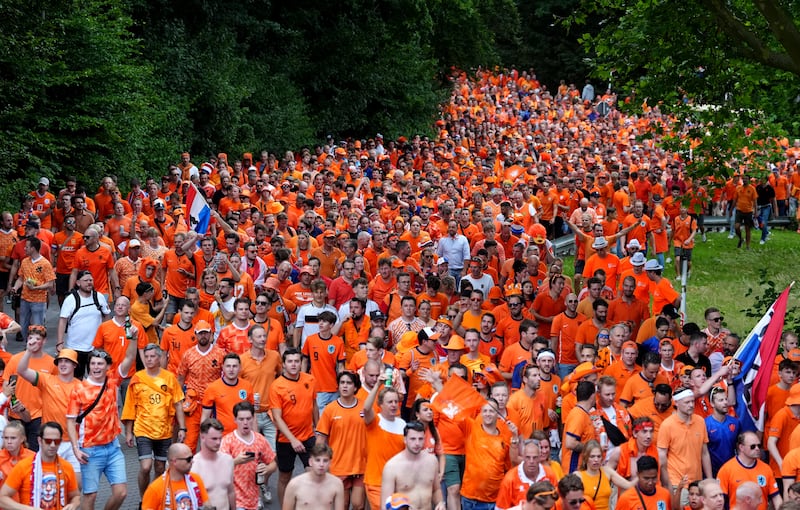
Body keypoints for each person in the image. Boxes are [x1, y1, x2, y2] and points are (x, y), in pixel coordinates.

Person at [66, 340, 137, 510]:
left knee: (121, 493)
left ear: (107, 367)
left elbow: (129, 357)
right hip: (89, 450)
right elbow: (70, 421)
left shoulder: (112, 381)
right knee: (90, 495)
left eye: (100, 364)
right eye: (93, 363)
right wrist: (75, 448)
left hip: (113, 448)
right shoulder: (79, 389)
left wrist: (133, 338)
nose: (96, 367)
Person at [121, 344, 186, 500]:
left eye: (152, 356)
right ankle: (144, 499)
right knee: (145, 466)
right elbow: (130, 406)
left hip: (164, 431)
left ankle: (155, 499)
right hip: (143, 429)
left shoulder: (169, 378)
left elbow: (178, 404)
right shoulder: (137, 378)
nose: (149, 359)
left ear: (159, 358)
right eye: (147, 356)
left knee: (160, 467)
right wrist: (129, 432)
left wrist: (183, 428)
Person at [16, 341, 82, 474]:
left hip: (73, 442)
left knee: (77, 484)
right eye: (60, 361)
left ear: (74, 365)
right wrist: (29, 351)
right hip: (50, 441)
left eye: (67, 361)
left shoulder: (81, 386)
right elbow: (22, 371)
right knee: (48, 482)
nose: (62, 364)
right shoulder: (46, 380)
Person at [268, 348, 317, 507]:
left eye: (297, 361)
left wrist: (318, 428)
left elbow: (314, 405)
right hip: (285, 439)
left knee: (314, 474)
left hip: (308, 436)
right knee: (284, 476)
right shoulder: (277, 386)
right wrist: (293, 440)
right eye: (290, 361)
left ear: (301, 362)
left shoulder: (310, 379)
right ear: (284, 364)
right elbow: (277, 417)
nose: (294, 364)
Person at [316, 371, 367, 510]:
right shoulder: (330, 409)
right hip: (338, 466)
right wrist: (318, 463)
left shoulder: (365, 407)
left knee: (359, 505)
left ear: (355, 387)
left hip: (360, 464)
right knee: (342, 505)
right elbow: (321, 438)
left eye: (349, 383)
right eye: (342, 383)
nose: (345, 386)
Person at [0, 421, 81, 510]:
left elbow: (75, 496)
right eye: (48, 441)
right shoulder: (24, 466)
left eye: (56, 441)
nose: (52, 445)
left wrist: (73, 504)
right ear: (39, 440)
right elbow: (2, 498)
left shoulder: (66, 467)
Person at [177, 320, 226, 453]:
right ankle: (188, 472)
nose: (203, 336)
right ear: (196, 335)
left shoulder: (220, 354)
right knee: (189, 443)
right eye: (200, 334)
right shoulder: (188, 354)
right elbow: (180, 377)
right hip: (194, 404)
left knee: (213, 442)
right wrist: (178, 400)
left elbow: (227, 376)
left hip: (214, 404)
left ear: (211, 334)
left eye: (206, 333)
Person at [4, 325, 54, 451]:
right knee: (14, 453)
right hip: (16, 414)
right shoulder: (15, 360)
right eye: (31, 338)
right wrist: (11, 403)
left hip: (38, 415)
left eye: (37, 339)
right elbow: (6, 385)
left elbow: (55, 389)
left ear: (44, 341)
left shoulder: (52, 363)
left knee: (34, 454)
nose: (33, 341)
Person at [220, 401, 277, 510]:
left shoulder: (260, 439)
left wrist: (267, 468)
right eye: (241, 419)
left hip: (254, 499)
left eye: (248, 418)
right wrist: (236, 461)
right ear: (235, 420)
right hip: (234, 499)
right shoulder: (228, 441)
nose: (245, 422)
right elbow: (219, 468)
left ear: (253, 419)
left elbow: (273, 463)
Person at [362, 372, 406, 510]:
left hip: (398, 483)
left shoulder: (402, 424)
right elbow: (366, 408)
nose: (394, 405)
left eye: (395, 402)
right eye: (389, 402)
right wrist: (377, 385)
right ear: (380, 404)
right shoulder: (375, 421)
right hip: (376, 482)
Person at [58, 270, 110, 379]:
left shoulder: (99, 297)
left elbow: (106, 316)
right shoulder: (71, 299)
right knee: (76, 380)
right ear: (78, 283)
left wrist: (106, 338)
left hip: (95, 348)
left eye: (91, 280)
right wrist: (60, 342)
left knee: (96, 379)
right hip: (75, 347)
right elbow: (62, 321)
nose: (89, 282)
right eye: (86, 280)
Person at [657, 388, 712, 492]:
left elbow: (704, 453)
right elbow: (661, 457)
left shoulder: (700, 421)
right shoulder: (667, 425)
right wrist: (666, 484)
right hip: (676, 482)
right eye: (687, 402)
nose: (691, 405)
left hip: (697, 482)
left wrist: (709, 479)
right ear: (676, 403)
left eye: (692, 401)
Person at [381, 421, 445, 510]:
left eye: (420, 439)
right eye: (413, 439)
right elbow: (385, 504)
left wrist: (440, 503)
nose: (417, 443)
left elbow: (436, 490)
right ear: (405, 440)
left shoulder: (432, 461)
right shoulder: (392, 466)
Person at [720, 431, 781, 509]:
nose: (757, 449)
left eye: (759, 446)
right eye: (753, 446)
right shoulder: (726, 470)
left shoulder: (766, 469)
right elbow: (721, 500)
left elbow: (776, 497)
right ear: (741, 447)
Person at [141, 442, 210, 510]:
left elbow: (207, 505)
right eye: (188, 459)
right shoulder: (155, 489)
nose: (192, 461)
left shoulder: (196, 479)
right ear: (174, 461)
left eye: (192, 458)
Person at [12, 237, 55, 342]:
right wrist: (15, 287)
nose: (24, 249)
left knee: (37, 326)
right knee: (23, 325)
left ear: (33, 248)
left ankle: (36, 349)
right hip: (24, 299)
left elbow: (50, 283)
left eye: (26, 247)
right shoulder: (25, 262)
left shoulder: (45, 264)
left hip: (38, 300)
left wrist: (35, 288)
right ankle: (28, 346)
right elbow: (21, 278)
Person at [200, 353, 254, 435]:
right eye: (228, 366)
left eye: (234, 366)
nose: (231, 369)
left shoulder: (247, 386)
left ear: (240, 368)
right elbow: (205, 417)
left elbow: (253, 414)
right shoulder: (212, 388)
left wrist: (256, 436)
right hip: (221, 436)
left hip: (243, 436)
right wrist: (204, 437)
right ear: (223, 368)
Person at [495, 440, 557, 510]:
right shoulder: (510, 479)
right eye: (528, 457)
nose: (531, 461)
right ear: (523, 457)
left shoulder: (549, 474)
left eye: (535, 457)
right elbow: (500, 508)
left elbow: (557, 502)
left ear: (540, 457)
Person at [282, 442, 345, 510]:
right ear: (310, 462)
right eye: (317, 460)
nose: (321, 464)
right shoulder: (294, 485)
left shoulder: (337, 484)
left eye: (325, 461)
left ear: (330, 463)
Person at [192, 419, 236, 510]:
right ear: (202, 437)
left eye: (220, 438)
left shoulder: (228, 460)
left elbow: (231, 492)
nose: (218, 443)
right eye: (214, 439)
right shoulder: (194, 465)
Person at [705, 385, 740, 476]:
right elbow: (703, 453)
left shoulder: (735, 422)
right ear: (712, 404)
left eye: (726, 399)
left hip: (732, 472)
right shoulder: (705, 424)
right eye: (721, 400)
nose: (725, 403)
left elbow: (739, 448)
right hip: (712, 473)